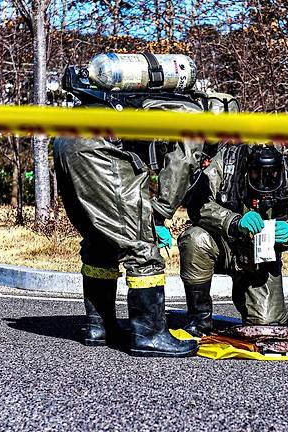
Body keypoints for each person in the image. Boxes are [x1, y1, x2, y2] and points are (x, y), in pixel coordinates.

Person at [53, 96, 205, 358]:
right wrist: (162, 210)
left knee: (100, 238)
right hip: (99, 147)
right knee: (141, 245)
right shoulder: (193, 114)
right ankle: (150, 335)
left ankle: (99, 326)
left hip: (68, 140)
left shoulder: (153, 99)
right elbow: (183, 161)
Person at [178, 143, 288, 336]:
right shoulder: (225, 164)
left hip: (261, 257)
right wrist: (233, 221)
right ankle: (199, 318)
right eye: (256, 173)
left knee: (268, 328)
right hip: (221, 244)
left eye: (271, 173)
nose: (264, 178)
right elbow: (198, 205)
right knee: (195, 239)